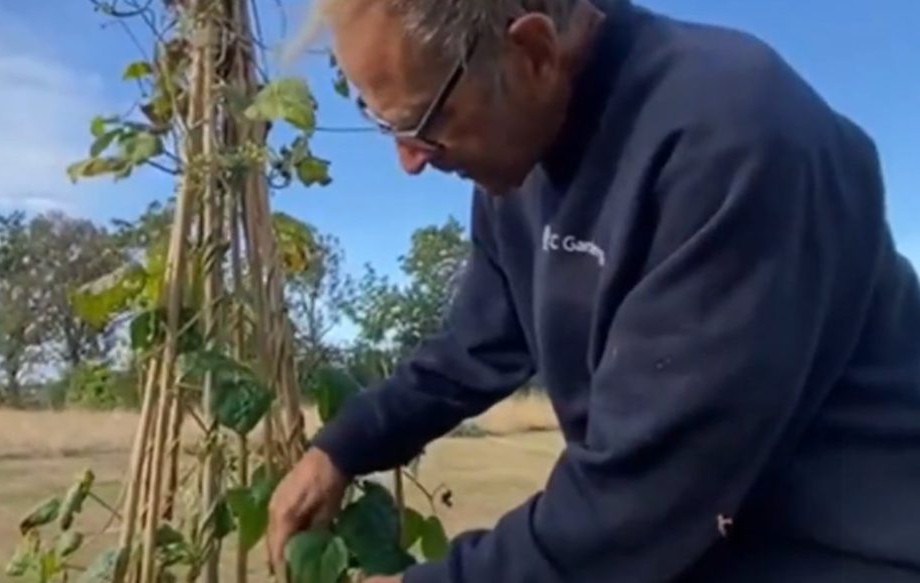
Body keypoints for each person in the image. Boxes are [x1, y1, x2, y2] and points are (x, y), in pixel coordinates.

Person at [268, 0, 920, 581]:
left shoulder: (728, 136)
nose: (408, 158)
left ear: (534, 52)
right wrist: (341, 446)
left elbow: (647, 494)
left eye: (419, 121)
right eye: (381, 121)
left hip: (842, 548)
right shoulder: (517, 163)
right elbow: (473, 347)